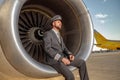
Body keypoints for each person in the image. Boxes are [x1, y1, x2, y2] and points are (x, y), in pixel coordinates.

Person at [43, 15, 89, 80]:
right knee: (70, 76)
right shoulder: (48, 34)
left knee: (82, 63)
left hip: (63, 58)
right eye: (58, 22)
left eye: (60, 22)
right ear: (53, 23)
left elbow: (64, 48)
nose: (60, 23)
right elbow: (47, 49)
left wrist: (69, 54)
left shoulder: (59, 36)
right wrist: (61, 59)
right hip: (54, 61)